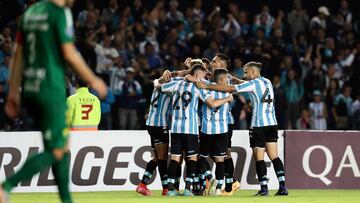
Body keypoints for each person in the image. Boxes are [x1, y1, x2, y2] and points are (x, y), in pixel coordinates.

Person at [0, 0, 107, 203]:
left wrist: (13, 91)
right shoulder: (60, 13)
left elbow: (17, 55)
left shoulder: (30, 13)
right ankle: (7, 186)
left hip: (30, 89)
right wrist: (93, 79)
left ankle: (66, 200)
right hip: (51, 89)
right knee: (56, 150)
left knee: (62, 148)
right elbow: (69, 53)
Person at [196, 61, 288, 196]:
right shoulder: (267, 82)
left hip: (259, 125)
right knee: (274, 156)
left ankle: (264, 189)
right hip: (272, 124)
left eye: (246, 72)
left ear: (253, 72)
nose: (244, 75)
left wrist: (207, 85)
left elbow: (231, 89)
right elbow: (245, 84)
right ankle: (282, 186)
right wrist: (234, 79)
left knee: (259, 157)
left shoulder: (253, 83)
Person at [155, 64, 233, 196]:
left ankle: (170, 190)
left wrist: (158, 80)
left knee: (174, 158)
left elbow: (159, 86)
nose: (204, 78)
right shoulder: (198, 87)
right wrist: (228, 98)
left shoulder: (177, 84)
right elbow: (212, 103)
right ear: (197, 75)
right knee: (192, 159)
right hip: (190, 128)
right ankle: (187, 189)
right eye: (203, 75)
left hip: (175, 128)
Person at [136, 71, 172, 196]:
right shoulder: (169, 89)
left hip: (151, 123)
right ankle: (166, 189)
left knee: (157, 158)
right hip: (159, 124)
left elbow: (156, 81)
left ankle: (142, 184)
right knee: (163, 158)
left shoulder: (157, 86)